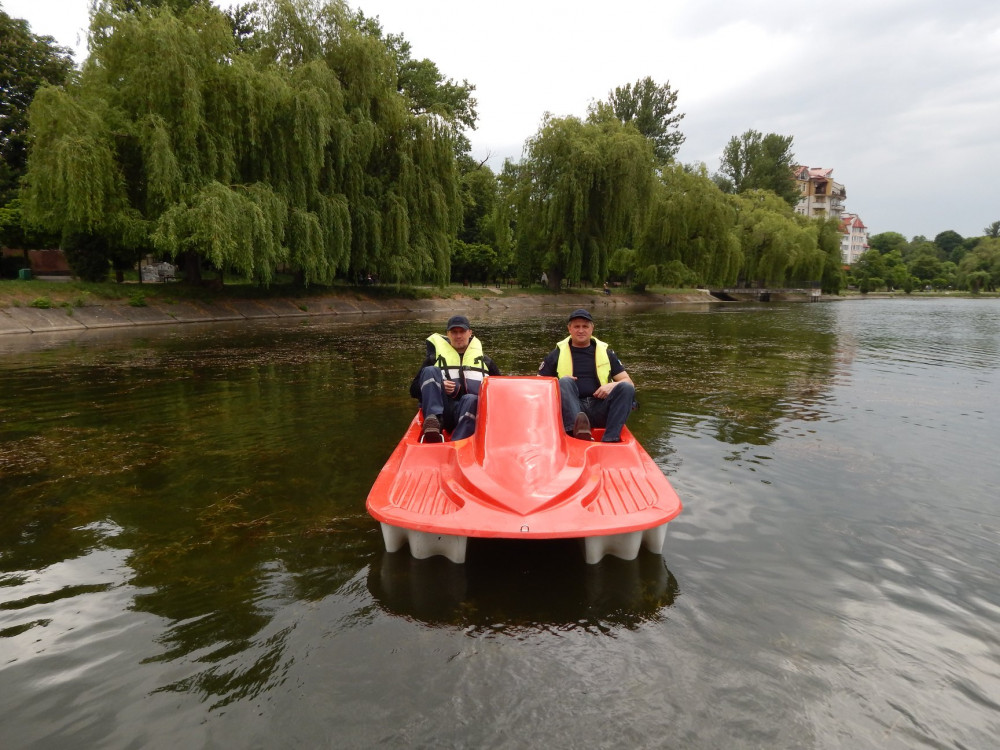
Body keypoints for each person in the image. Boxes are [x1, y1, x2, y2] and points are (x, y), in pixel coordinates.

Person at [537, 308, 635, 443]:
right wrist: (558, 383)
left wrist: (612, 385)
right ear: (569, 329)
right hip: (573, 409)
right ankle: (575, 433)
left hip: (600, 407)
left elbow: (628, 382)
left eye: (585, 326)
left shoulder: (607, 353)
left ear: (592, 328)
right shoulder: (556, 354)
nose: (581, 330)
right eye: (576, 326)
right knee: (565, 381)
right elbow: (539, 384)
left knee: (626, 388)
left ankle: (611, 439)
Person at [409, 315, 501, 442]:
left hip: (471, 412)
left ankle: (458, 443)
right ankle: (433, 422)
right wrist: (439, 386)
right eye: (454, 332)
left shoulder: (486, 362)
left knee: (471, 398)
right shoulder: (433, 359)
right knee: (430, 371)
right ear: (448, 334)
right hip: (443, 413)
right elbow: (413, 391)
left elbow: (500, 392)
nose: (458, 336)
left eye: (462, 331)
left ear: (470, 333)